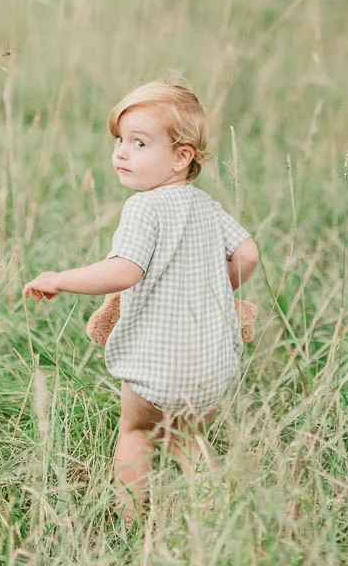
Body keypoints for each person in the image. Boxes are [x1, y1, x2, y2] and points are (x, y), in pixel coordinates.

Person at [23, 80, 259, 518]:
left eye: (139, 142)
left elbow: (124, 270)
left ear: (180, 157)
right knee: (189, 439)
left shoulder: (144, 209)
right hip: (209, 364)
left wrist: (61, 278)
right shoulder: (207, 207)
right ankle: (212, 520)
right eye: (119, 140)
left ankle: (129, 521)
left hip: (156, 362)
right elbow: (248, 254)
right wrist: (217, 287)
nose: (121, 152)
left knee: (135, 431)